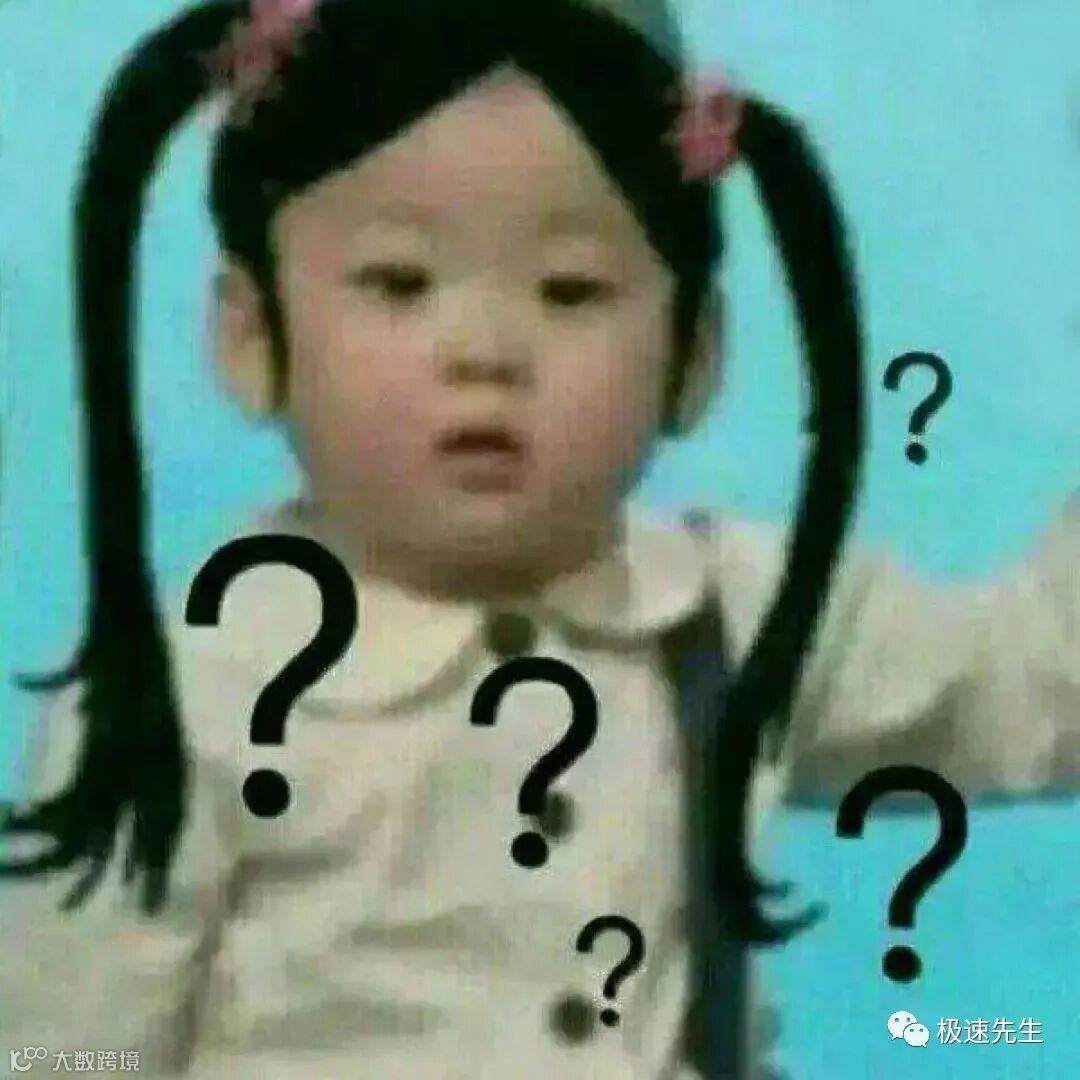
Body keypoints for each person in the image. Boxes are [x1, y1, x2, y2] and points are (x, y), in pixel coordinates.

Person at [1, 0, 1076, 1076]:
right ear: (251, 336)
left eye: (570, 291)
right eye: (399, 283)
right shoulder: (185, 695)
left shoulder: (741, 617)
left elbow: (1033, 687)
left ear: (693, 357)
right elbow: (65, 1055)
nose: (485, 351)